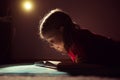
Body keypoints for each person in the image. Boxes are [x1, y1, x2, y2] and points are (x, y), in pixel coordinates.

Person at [39, 9, 120, 66]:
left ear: (61, 30)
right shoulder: (70, 45)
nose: (51, 45)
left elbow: (89, 62)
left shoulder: (80, 39)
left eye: (52, 40)